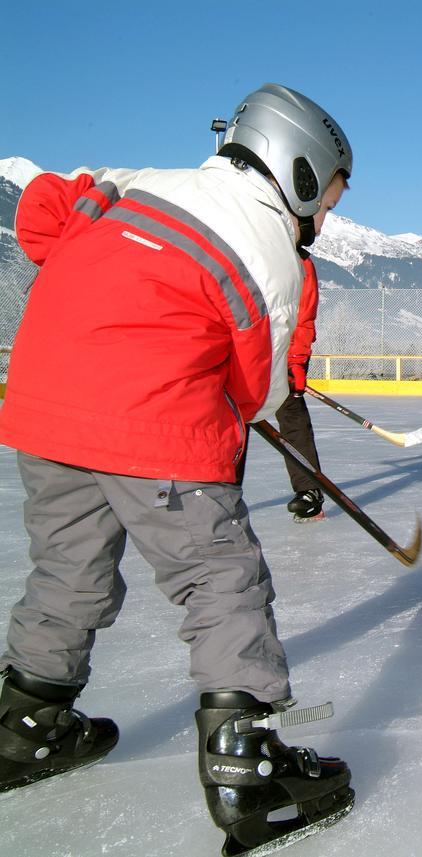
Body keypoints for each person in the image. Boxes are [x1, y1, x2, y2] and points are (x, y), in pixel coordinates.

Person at [0, 84, 357, 854]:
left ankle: (25, 726)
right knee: (220, 577)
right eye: (325, 198)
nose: (323, 220)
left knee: (66, 570)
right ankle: (247, 763)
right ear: (295, 170)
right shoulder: (270, 248)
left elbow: (39, 214)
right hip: (155, 419)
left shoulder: (137, 181)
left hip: (44, 403)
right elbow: (261, 391)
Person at [277, 253, 326, 521]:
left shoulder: (298, 258)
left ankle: (308, 491)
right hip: (240, 348)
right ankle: (215, 489)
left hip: (285, 352)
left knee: (291, 415)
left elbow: (303, 315)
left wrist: (295, 360)